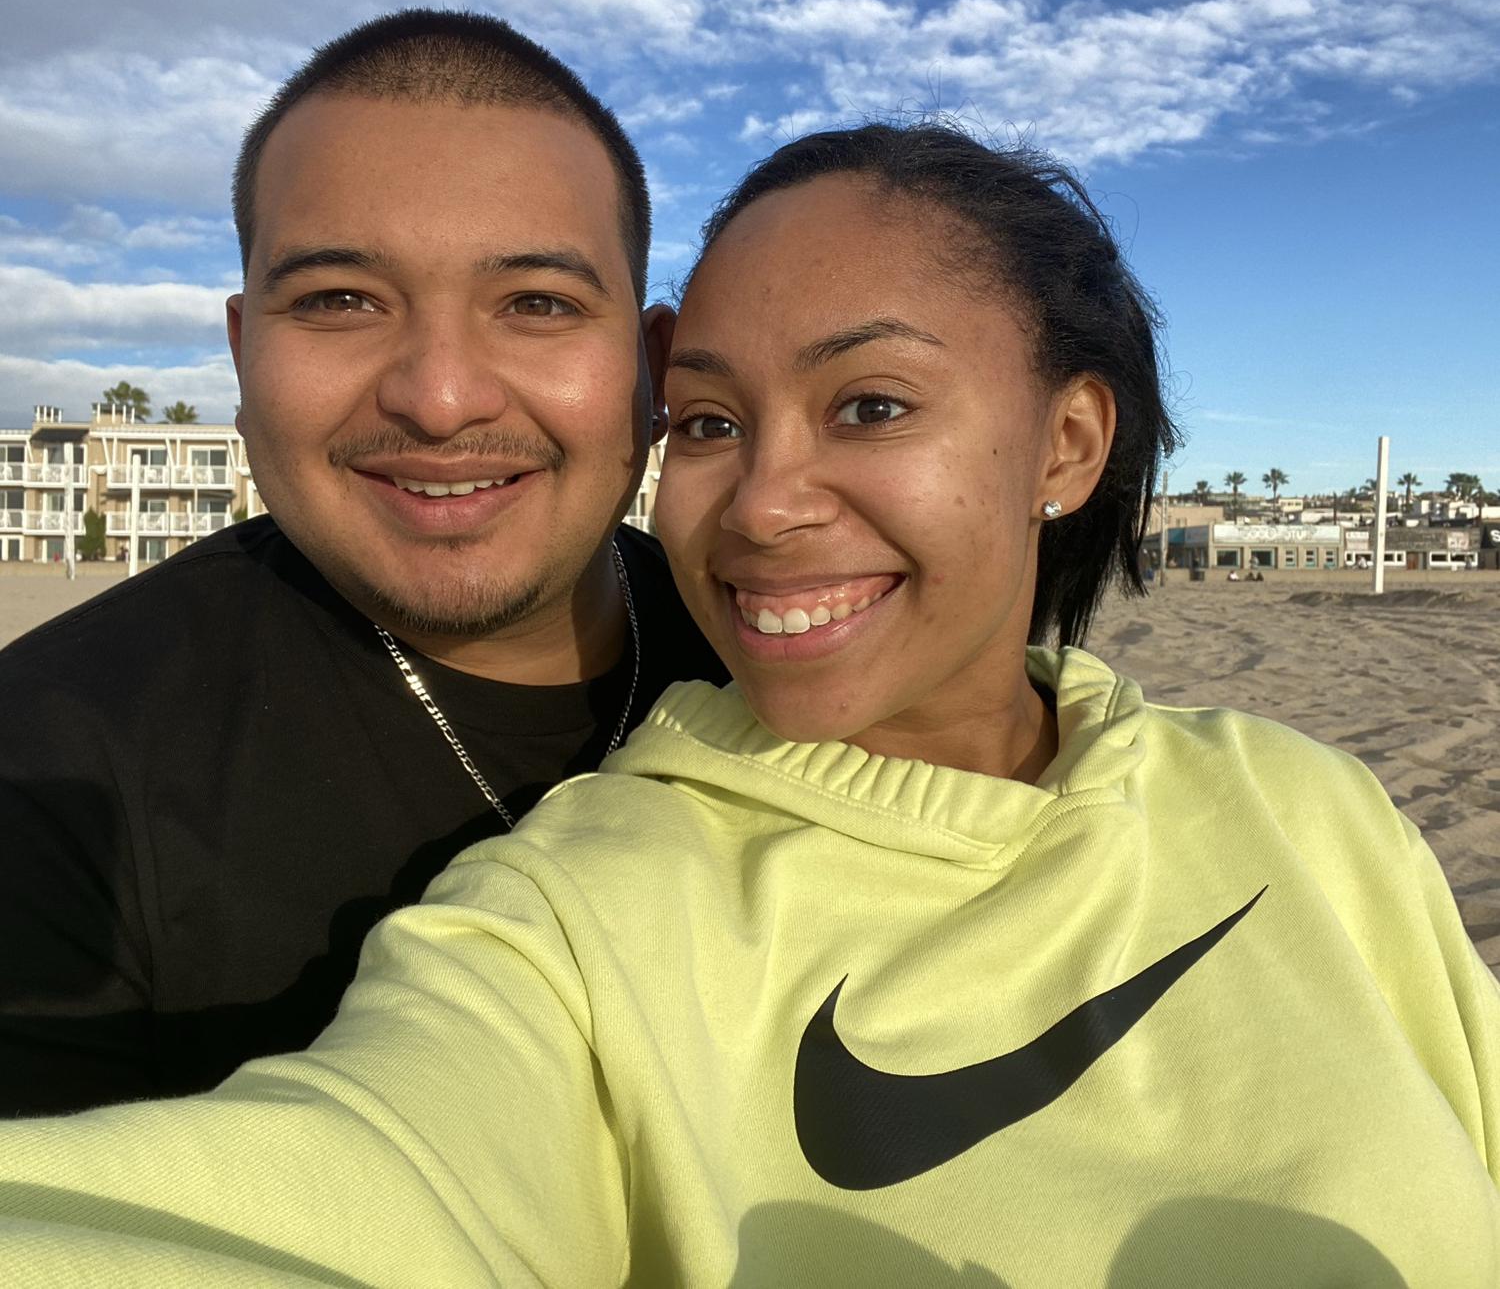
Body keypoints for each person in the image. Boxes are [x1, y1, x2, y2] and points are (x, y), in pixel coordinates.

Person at [1, 122, 1495, 1287]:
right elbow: (343, 1189)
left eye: (871, 405)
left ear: (1068, 443)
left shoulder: (1307, 804)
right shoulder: (569, 922)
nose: (763, 503)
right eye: (711, 422)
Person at [0, 9, 724, 1116]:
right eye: (339, 301)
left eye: (537, 303)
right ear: (244, 351)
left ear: (651, 366)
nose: (440, 398)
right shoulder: (46, 776)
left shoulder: (802, 668)